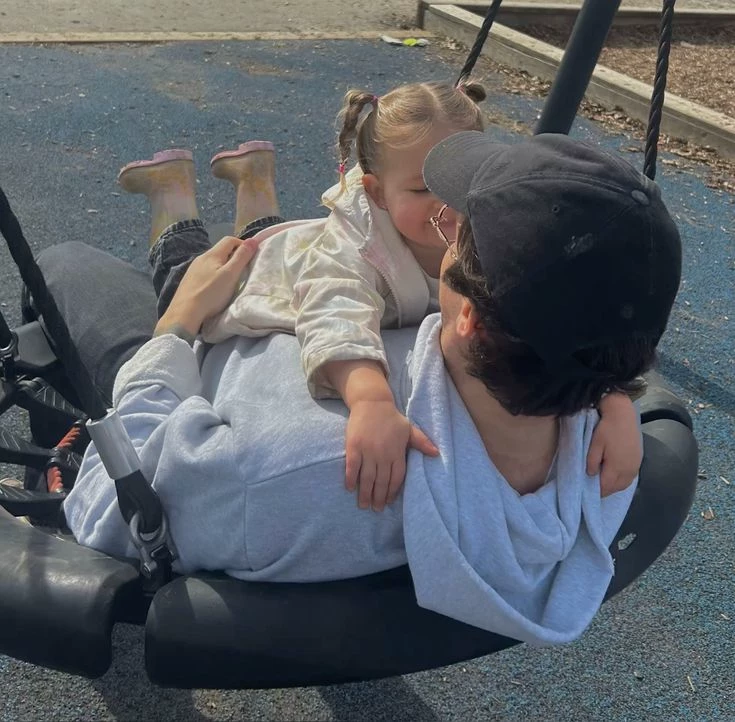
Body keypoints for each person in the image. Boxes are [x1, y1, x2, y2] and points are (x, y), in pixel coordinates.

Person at [56, 131, 681, 645]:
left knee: (69, 263)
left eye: (455, 237)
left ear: (470, 318)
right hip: (286, 333)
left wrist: (176, 324)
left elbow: (110, 507)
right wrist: (611, 398)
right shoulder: (596, 443)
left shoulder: (290, 473)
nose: (440, 237)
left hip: (188, 372)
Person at [115, 80, 641, 511]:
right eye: (421, 189)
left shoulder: (486, 217)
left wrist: (611, 397)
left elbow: (561, 308)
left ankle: (255, 177)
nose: (447, 205)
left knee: (263, 231)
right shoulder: (357, 243)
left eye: (462, 180)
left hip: (299, 244)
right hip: (266, 281)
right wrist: (370, 400)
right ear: (375, 193)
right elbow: (335, 308)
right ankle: (170, 189)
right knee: (186, 274)